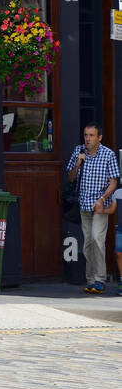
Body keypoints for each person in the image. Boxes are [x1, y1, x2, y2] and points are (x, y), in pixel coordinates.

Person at [66, 122, 118, 294]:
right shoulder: (78, 151)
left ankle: (100, 279)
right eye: (86, 135)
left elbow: (113, 182)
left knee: (97, 238)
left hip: (100, 206)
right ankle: (91, 280)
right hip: (83, 204)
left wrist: (102, 199)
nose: (87, 139)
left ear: (99, 137)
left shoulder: (108, 154)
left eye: (91, 135)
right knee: (88, 242)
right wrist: (77, 164)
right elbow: (71, 178)